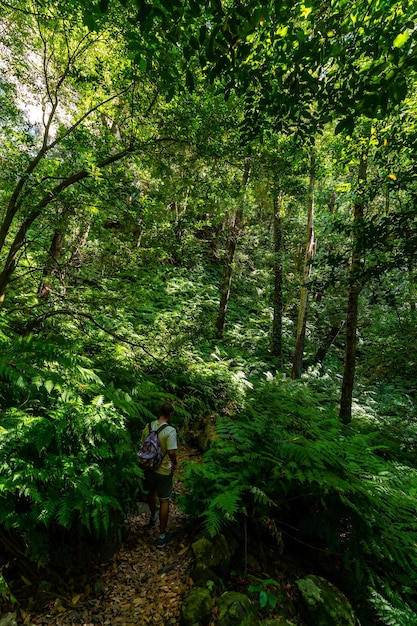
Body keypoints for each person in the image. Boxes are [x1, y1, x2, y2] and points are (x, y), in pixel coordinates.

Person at [141, 402, 177, 548]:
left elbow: (143, 445)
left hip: (148, 468)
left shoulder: (148, 426)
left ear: (159, 412)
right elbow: (171, 452)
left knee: (151, 493)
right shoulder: (170, 431)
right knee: (164, 500)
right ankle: (162, 536)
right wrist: (175, 464)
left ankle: (152, 517)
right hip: (163, 471)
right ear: (170, 415)